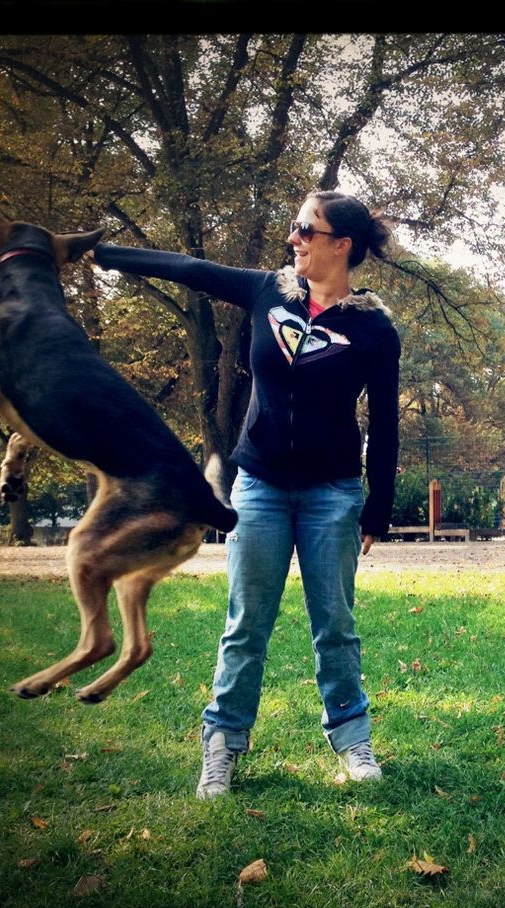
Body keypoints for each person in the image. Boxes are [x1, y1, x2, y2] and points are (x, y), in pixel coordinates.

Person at [91, 191, 400, 799]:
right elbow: (191, 269)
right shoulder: (268, 292)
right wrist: (102, 255)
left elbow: (386, 423)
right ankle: (224, 743)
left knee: (334, 624)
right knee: (245, 624)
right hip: (257, 485)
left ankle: (352, 739)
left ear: (342, 245)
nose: (294, 239)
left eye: (305, 230)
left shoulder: (372, 329)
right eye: (294, 228)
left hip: (332, 493)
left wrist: (379, 506)